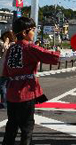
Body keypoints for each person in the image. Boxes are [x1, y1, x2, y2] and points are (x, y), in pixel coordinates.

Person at [2, 17, 60, 145]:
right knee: (27, 126)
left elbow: (5, 72)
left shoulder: (11, 49)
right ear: (24, 32)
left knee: (11, 125)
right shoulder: (29, 48)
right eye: (33, 29)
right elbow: (49, 55)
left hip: (11, 93)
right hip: (26, 92)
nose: (35, 32)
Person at [0, 31, 16, 109]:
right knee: (6, 86)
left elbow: (5, 48)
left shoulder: (11, 44)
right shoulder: (14, 44)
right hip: (9, 69)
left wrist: (6, 41)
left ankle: (4, 103)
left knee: (3, 86)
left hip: (6, 68)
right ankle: (7, 102)